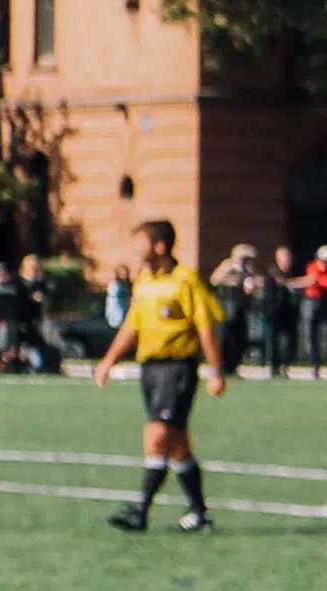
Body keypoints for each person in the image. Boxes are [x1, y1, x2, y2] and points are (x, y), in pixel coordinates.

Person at [98, 216, 232, 534]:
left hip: (177, 368)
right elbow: (132, 326)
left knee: (157, 435)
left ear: (160, 245)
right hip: (150, 369)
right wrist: (108, 360)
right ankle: (199, 512)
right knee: (178, 445)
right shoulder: (144, 281)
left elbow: (205, 326)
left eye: (140, 241)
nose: (135, 248)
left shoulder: (185, 280)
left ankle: (140, 511)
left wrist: (215, 370)